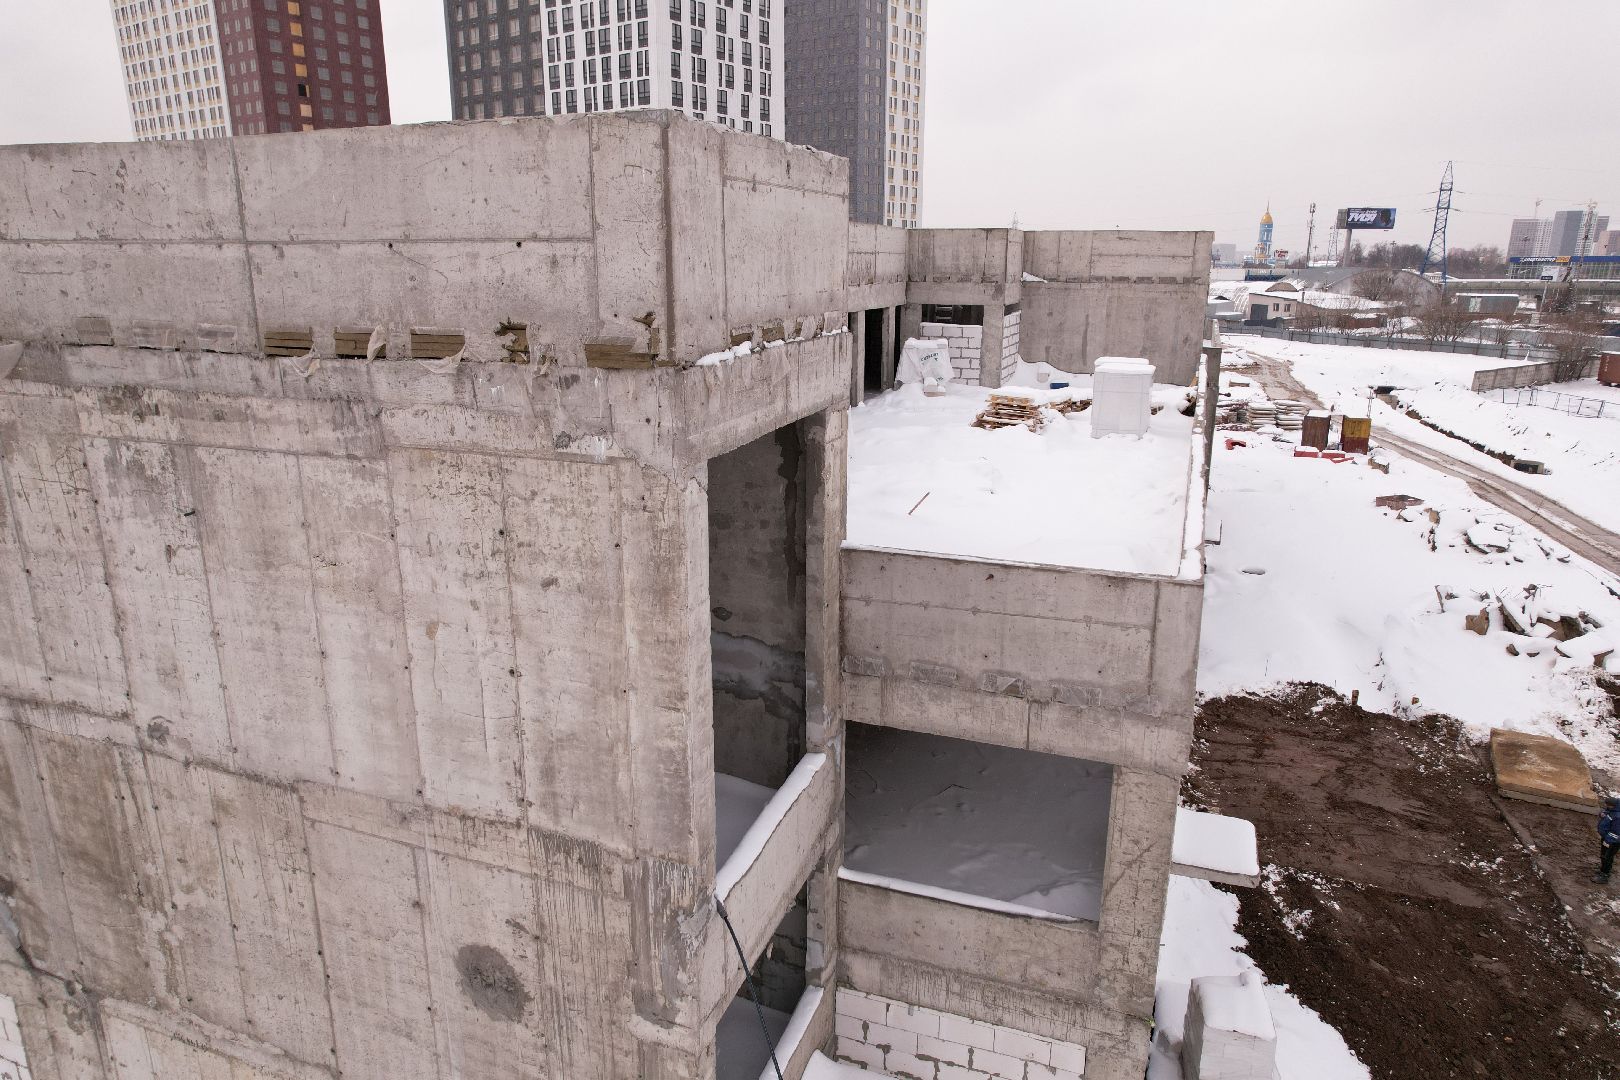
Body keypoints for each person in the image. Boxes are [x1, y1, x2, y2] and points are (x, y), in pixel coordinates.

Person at [1596, 796, 1620, 885]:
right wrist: (1602, 813)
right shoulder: (1613, 809)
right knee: (1603, 855)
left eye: (1608, 805)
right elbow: (1606, 810)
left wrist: (1607, 840)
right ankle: (1603, 870)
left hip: (1613, 841)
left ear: (1612, 805)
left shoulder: (1618, 817)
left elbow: (1616, 833)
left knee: (1607, 857)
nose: (1606, 806)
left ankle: (1605, 876)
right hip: (1607, 838)